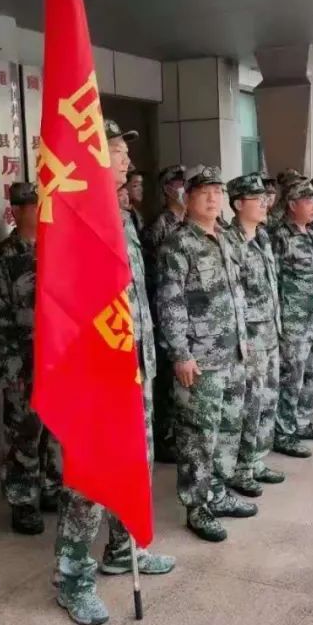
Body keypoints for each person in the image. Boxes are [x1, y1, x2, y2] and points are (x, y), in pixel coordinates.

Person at [52, 120, 175, 625]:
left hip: (134, 366)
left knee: (136, 463)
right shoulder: (75, 220)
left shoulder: (122, 215)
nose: (126, 161)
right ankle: (72, 578)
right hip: (97, 374)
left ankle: (124, 550)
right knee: (88, 481)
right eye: (117, 152)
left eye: (125, 152)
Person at [157, 165, 254, 543]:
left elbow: (237, 294)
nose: (213, 199)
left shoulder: (227, 238)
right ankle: (197, 507)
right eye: (204, 193)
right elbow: (170, 302)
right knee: (199, 436)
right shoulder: (178, 244)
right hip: (200, 359)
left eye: (217, 192)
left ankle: (218, 491)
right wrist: (181, 353)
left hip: (233, 353)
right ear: (188, 198)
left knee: (229, 428)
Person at [0, 182, 60, 537]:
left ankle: (50, 488)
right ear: (16, 211)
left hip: (56, 360)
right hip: (22, 361)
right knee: (24, 432)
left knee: (55, 430)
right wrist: (8, 370)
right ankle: (22, 501)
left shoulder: (58, 248)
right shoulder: (3, 258)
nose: (37, 210)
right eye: (30, 205)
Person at [225, 173, 286, 497]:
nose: (264, 203)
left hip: (268, 334)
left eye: (265, 197)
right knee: (248, 404)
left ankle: (257, 459)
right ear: (238, 204)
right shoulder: (230, 243)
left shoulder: (262, 237)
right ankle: (241, 468)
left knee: (267, 400)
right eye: (256, 198)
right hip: (248, 338)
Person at [271, 178, 313, 457]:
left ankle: (303, 421)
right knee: (291, 378)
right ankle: (284, 431)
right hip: (294, 323)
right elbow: (274, 281)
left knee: (310, 375)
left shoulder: (310, 233)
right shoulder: (280, 236)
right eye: (308, 202)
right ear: (292, 204)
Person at [143, 163, 185, 464]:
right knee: (167, 381)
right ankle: (165, 437)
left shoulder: (189, 222)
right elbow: (154, 272)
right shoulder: (161, 224)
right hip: (165, 308)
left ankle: (176, 435)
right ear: (168, 188)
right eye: (178, 183)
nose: (183, 188)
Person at [126, 170, 146, 235]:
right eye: (135, 185)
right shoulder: (126, 215)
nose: (141, 189)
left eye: (143, 185)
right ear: (126, 187)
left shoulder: (143, 213)